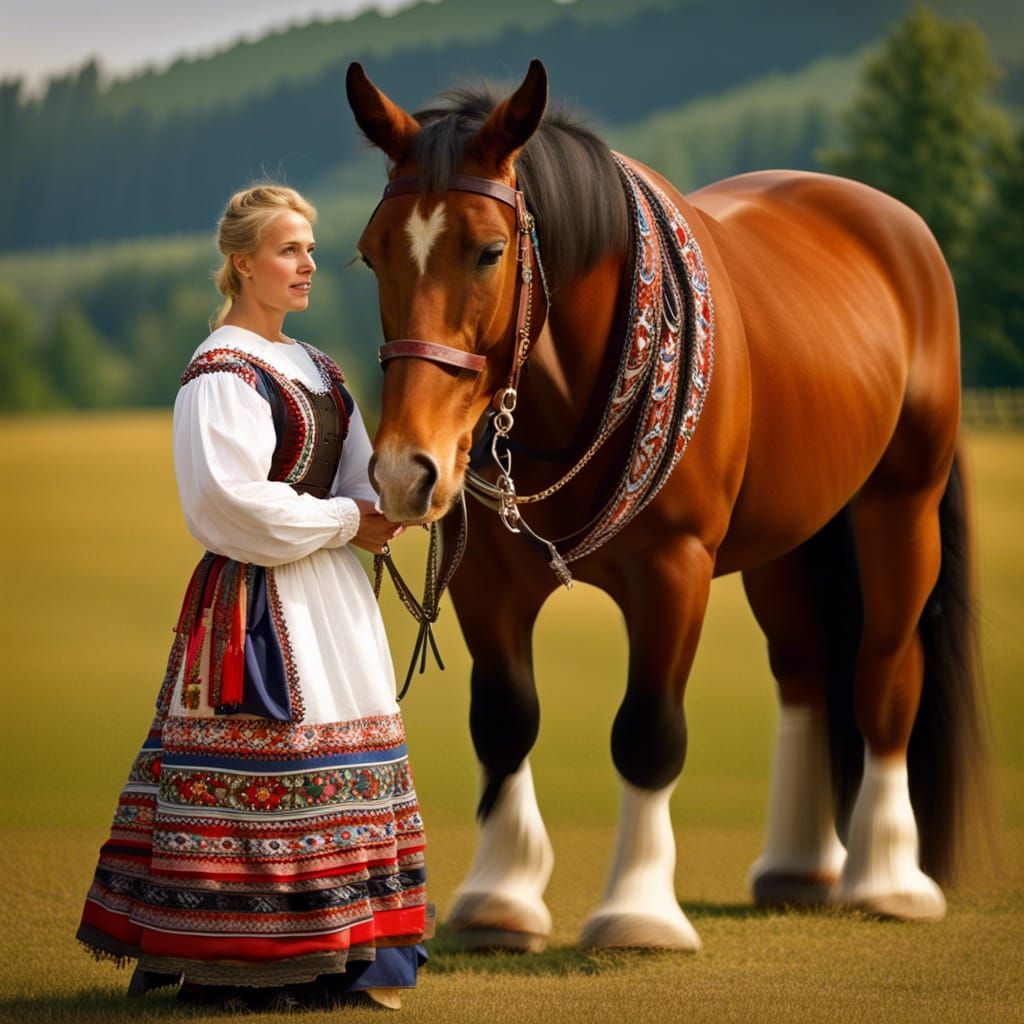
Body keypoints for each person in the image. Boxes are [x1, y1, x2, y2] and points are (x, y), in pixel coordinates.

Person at [76, 185, 428, 1011]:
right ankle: (243, 960)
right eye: (288, 250)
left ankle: (346, 958)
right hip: (259, 605)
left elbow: (359, 473)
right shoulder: (220, 373)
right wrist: (348, 520)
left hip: (335, 599)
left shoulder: (320, 368)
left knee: (348, 762)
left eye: (309, 249)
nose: (308, 264)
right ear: (242, 263)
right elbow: (227, 505)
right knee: (274, 770)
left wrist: (391, 502)